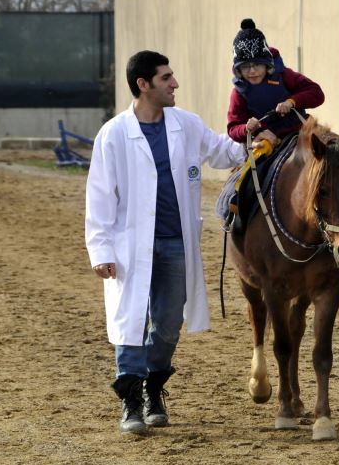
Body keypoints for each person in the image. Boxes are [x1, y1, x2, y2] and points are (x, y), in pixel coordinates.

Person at [85, 50, 245, 435]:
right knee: (131, 320)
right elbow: (100, 196)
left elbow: (224, 152)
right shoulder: (114, 133)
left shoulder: (185, 124)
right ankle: (131, 401)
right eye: (166, 77)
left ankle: (153, 388)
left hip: (176, 244)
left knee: (170, 323)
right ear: (144, 84)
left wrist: (256, 137)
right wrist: (101, 250)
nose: (175, 84)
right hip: (130, 249)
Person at [220, 18, 324, 226]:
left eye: (257, 64)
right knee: (248, 174)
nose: (252, 71)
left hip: (302, 132)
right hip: (266, 142)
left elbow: (317, 93)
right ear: (238, 70)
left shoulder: (285, 75)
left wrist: (292, 101)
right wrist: (246, 128)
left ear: (267, 63)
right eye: (246, 67)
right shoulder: (238, 93)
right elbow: (233, 128)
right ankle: (236, 208)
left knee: (331, 155)